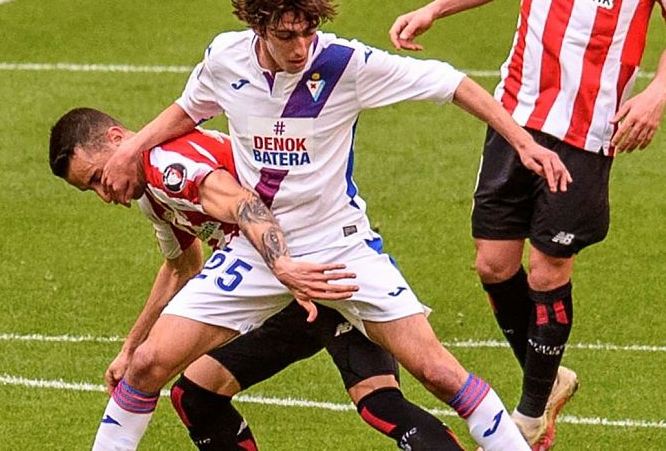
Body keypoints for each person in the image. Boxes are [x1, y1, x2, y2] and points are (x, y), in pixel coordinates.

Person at [98, 0, 573, 449]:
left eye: (308, 31)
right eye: (286, 35)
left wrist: (523, 143)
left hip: (340, 247)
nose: (301, 47)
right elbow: (188, 109)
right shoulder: (225, 58)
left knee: (436, 371)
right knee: (150, 363)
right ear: (258, 26)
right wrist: (134, 148)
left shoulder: (344, 64)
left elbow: (452, 84)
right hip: (257, 251)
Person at [49, 107, 466, 449]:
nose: (107, 194)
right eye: (92, 191)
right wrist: (131, 348)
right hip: (277, 294)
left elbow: (243, 205)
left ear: (118, 140)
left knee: (381, 401)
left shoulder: (172, 164)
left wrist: (283, 267)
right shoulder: (153, 197)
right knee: (196, 396)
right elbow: (182, 264)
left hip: (316, 271)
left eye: (99, 177)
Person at [389, 0, 666, 448]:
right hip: (515, 115)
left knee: (547, 268)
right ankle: (551, 377)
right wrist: (434, 9)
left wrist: (656, 93)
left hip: (585, 131)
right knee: (494, 265)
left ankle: (531, 413)